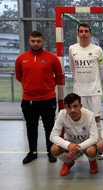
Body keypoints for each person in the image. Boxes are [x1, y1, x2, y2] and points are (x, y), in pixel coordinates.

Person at [15, 31, 64, 164]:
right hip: (28, 100)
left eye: (38, 41)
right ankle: (33, 152)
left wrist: (47, 87)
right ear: (29, 41)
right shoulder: (21, 59)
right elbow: (19, 76)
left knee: (49, 127)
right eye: (33, 41)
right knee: (31, 127)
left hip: (48, 99)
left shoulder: (51, 58)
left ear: (43, 42)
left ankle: (50, 152)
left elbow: (58, 76)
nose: (35, 43)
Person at [69, 23, 103, 160]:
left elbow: (102, 67)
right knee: (79, 119)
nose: (83, 34)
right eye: (81, 31)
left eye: (86, 31)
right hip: (79, 90)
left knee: (96, 119)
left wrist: (95, 81)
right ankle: (80, 147)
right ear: (78, 34)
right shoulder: (72, 48)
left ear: (90, 34)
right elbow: (73, 68)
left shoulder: (97, 49)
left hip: (94, 90)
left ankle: (98, 147)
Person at [50, 93, 99, 176]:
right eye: (69, 107)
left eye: (75, 106)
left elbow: (94, 138)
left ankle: (92, 161)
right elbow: (53, 136)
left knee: (92, 151)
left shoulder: (89, 115)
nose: (72, 110)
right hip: (70, 143)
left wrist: (76, 149)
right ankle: (68, 162)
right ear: (65, 107)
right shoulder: (62, 114)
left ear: (81, 106)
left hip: (86, 144)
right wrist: (68, 145)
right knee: (54, 149)